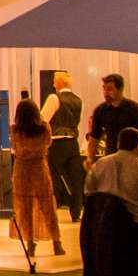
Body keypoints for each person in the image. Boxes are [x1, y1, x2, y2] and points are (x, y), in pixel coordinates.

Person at [8, 97, 62, 257]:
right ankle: (56, 242)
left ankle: (30, 242)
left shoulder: (15, 130)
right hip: (40, 168)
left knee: (24, 207)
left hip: (21, 170)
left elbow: (13, 146)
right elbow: (48, 143)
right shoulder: (44, 128)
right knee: (47, 206)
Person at [85, 126, 138, 224]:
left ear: (118, 144)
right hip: (136, 225)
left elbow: (89, 193)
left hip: (102, 224)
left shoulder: (99, 165)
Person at [37, 72, 85, 222]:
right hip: (73, 142)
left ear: (58, 84)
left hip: (56, 142)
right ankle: (76, 213)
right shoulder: (78, 100)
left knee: (53, 177)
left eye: (53, 82)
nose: (52, 85)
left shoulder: (54, 98)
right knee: (75, 179)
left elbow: (42, 119)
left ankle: (51, 209)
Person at [86, 74, 138, 161]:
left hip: (133, 158)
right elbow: (94, 139)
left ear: (120, 89)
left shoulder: (136, 110)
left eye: (109, 89)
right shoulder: (100, 110)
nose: (105, 92)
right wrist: (90, 160)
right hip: (110, 157)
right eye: (104, 88)